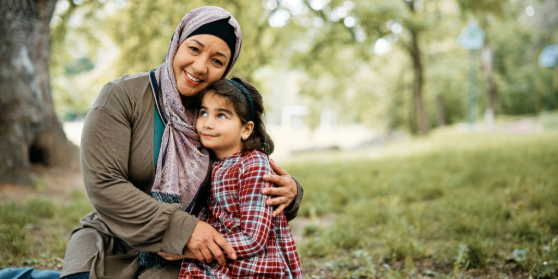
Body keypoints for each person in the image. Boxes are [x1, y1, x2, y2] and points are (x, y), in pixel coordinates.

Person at [60, 6, 304, 279]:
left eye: (217, 61)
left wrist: (291, 193)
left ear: (226, 68)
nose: (200, 67)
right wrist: (183, 229)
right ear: (177, 43)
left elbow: (244, 189)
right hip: (112, 241)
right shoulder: (121, 97)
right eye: (194, 49)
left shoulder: (214, 118)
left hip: (180, 255)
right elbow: (104, 184)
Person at [169, 78, 303, 278]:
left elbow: (254, 239)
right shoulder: (205, 161)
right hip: (220, 262)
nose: (208, 123)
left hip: (253, 267)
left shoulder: (253, 165)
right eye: (204, 112)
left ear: (246, 129)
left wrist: (186, 250)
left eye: (221, 115)